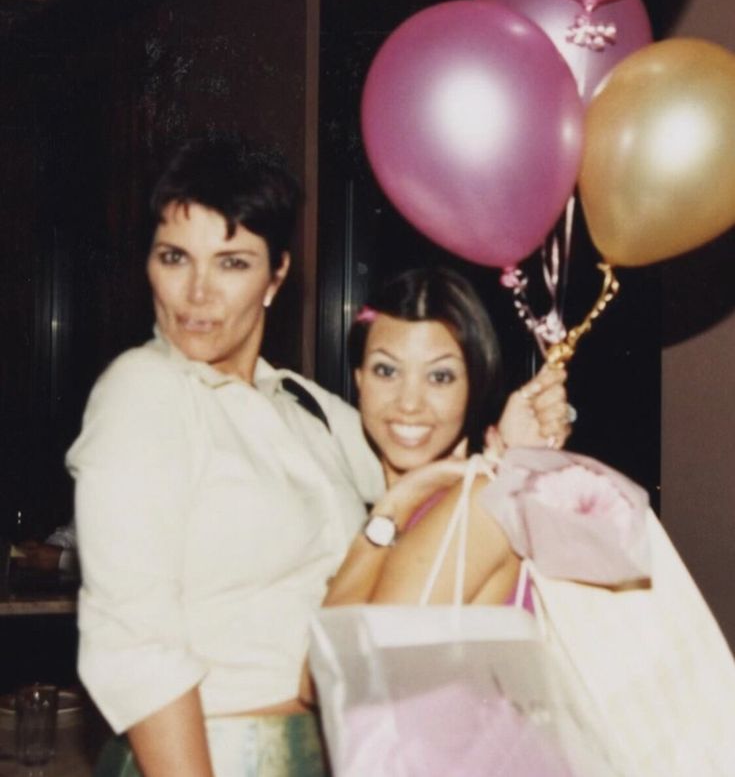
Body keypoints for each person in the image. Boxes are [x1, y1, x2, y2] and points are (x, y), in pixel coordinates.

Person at [66, 135, 570, 777]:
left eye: (231, 263)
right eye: (175, 257)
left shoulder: (300, 404)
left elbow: (413, 447)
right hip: (216, 755)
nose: (197, 294)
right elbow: (135, 649)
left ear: (276, 275)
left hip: (328, 750)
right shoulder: (144, 392)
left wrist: (510, 434)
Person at [320, 266, 571, 612]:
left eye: (440, 377)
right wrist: (398, 501)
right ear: (359, 379)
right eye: (387, 370)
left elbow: (337, 663)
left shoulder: (480, 503)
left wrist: (395, 504)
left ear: (473, 387)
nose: (409, 403)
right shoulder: (406, 507)